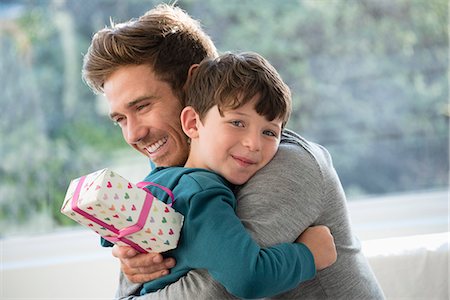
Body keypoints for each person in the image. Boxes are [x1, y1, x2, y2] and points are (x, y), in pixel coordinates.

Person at [82, 3, 385, 299]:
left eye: (143, 106)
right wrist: (135, 264)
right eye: (121, 119)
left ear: (193, 83)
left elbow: (219, 290)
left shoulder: (283, 165)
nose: (134, 134)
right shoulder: (171, 177)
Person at [102, 51, 337, 298]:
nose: (253, 144)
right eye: (237, 123)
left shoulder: (159, 181)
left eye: (269, 132)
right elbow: (249, 278)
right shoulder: (204, 195)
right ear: (193, 123)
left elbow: (109, 235)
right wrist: (307, 255)